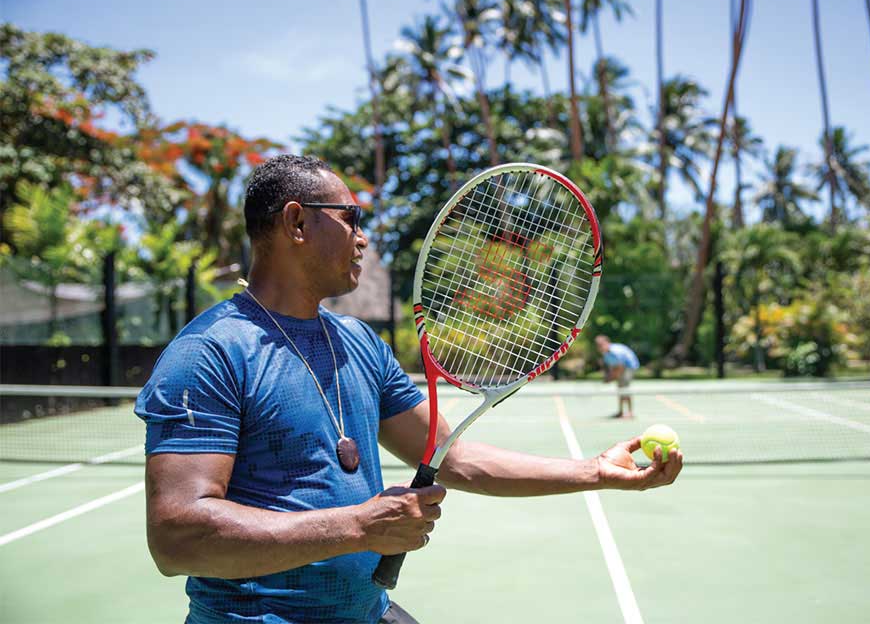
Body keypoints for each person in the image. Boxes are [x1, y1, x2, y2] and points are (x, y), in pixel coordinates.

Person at [137, 155, 683, 624]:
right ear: (297, 223)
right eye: (350, 218)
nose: (363, 235)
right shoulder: (210, 352)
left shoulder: (358, 343)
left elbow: (455, 458)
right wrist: (357, 526)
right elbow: (177, 536)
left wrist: (594, 471)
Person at [595, 335, 640, 419]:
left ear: (607, 343)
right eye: (598, 345)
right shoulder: (605, 354)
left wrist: (612, 378)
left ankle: (630, 412)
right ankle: (621, 412)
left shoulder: (615, 351)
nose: (600, 347)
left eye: (601, 344)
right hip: (622, 368)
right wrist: (609, 377)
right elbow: (613, 367)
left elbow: (621, 367)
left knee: (625, 389)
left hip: (629, 367)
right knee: (620, 389)